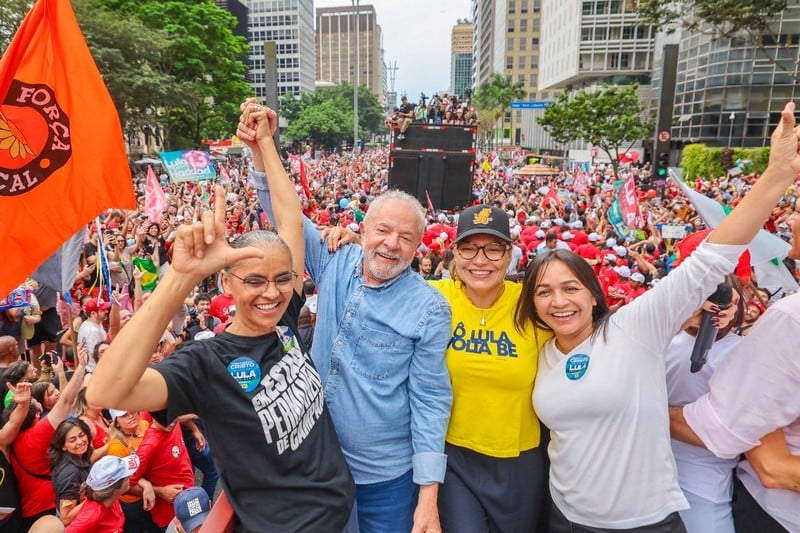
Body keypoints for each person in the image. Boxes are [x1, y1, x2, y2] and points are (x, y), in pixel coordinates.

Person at [513, 102, 800, 531]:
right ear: (532, 304)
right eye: (544, 292)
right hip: (564, 516)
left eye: (571, 287)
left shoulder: (636, 327)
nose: (559, 301)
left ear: (595, 295)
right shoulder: (541, 349)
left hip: (645, 522)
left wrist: (777, 176)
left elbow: (708, 260)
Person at [86, 152, 356, 529]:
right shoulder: (206, 363)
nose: (272, 292)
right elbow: (103, 392)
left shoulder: (285, 324)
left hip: (343, 512)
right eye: (255, 280)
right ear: (226, 283)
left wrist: (263, 143)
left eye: (282, 278)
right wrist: (181, 277)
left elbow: (290, 218)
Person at [241, 101, 452, 532]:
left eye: (405, 237)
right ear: (364, 227)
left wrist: (427, 496)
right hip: (318, 464)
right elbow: (286, 216)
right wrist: (262, 147)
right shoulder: (336, 259)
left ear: (418, 248)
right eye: (382, 231)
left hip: (385, 480)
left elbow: (431, 399)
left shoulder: (430, 308)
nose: (391, 244)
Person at [670, 209, 800, 532]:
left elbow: (766, 460)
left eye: (721, 292)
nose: (791, 219)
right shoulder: (652, 339)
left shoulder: (771, 334)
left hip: (707, 494)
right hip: (678, 488)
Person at [664, 276, 744, 533]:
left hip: (704, 488)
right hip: (660, 480)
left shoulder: (745, 353)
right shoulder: (662, 341)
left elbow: (733, 432)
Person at [65, 454, 139, 533]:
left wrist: (145, 484)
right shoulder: (91, 515)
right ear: (115, 487)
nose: (131, 475)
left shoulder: (112, 498)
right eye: (126, 476)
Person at [48, 418, 94, 526]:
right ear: (63, 446)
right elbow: (66, 517)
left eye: (82, 435)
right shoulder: (70, 473)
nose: (80, 441)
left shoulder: (81, 457)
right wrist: (96, 497)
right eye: (72, 440)